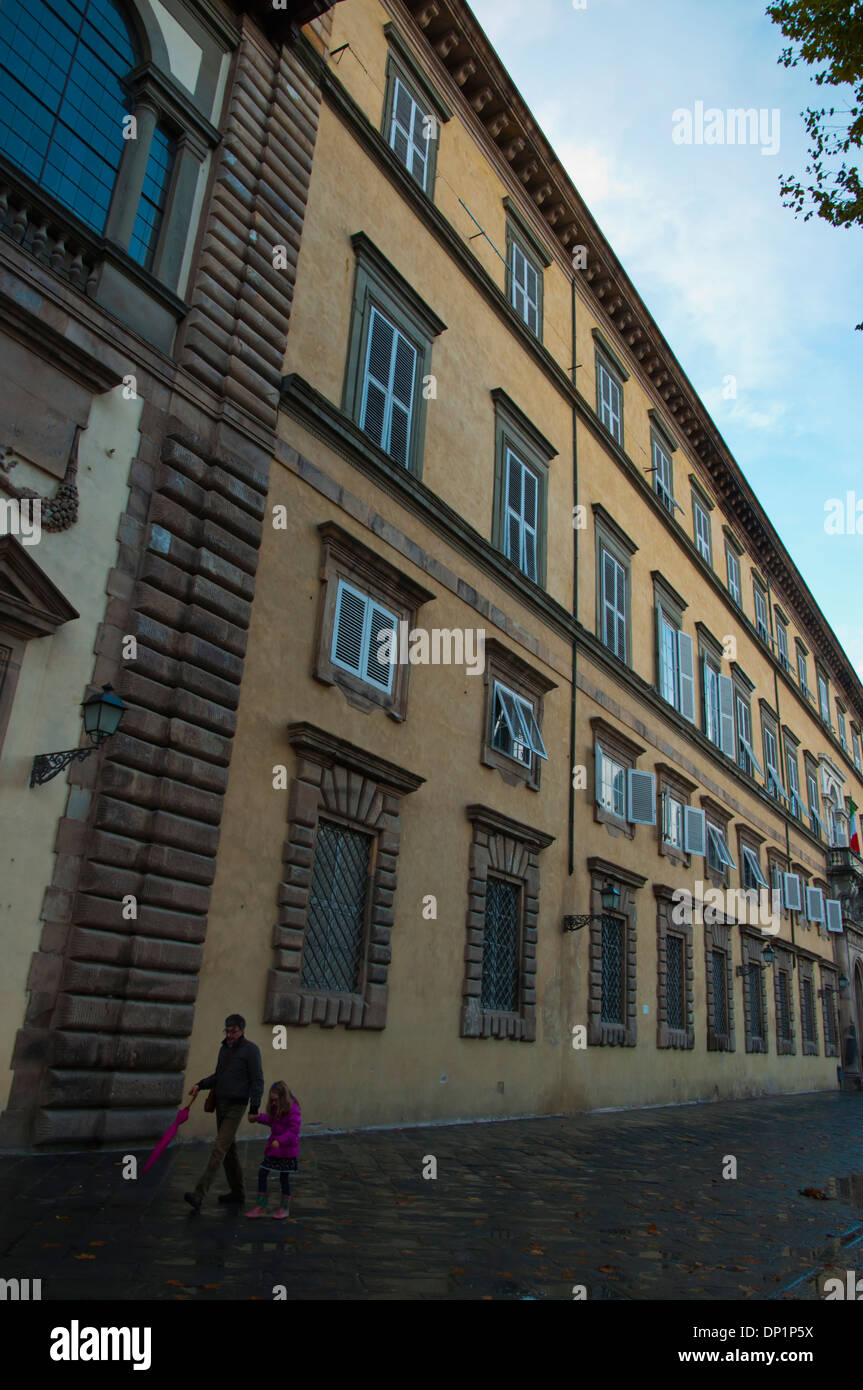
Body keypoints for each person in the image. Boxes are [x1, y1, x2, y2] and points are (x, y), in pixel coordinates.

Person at [183, 1014, 263, 1211]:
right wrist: (200, 1085)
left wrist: (254, 1108)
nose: (229, 1035)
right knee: (229, 1150)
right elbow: (219, 1076)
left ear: (242, 1030)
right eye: (227, 1031)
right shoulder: (224, 1049)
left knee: (219, 1148)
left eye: (233, 1031)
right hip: (221, 1104)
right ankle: (237, 1193)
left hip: (237, 1106)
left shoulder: (251, 1050)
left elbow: (257, 1080)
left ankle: (199, 1194)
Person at [245, 1082, 301, 1220]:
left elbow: (293, 1130)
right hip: (274, 1149)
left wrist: (280, 1140)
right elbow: (272, 1120)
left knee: (284, 1177)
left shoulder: (293, 1109)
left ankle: (285, 1207)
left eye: (276, 1100)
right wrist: (258, 1117)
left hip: (286, 1150)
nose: (274, 1103)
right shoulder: (276, 1107)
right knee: (263, 1172)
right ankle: (261, 1206)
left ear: (283, 1098)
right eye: (272, 1100)